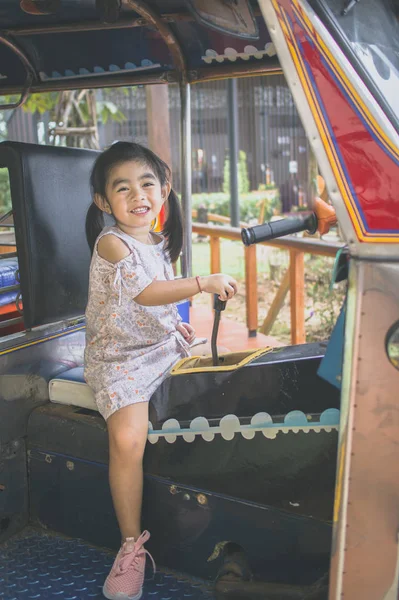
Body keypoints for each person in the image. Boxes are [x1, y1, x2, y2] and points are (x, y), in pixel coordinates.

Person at [84, 141, 237, 600]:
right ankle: (130, 545)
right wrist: (202, 281)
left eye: (146, 183)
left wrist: (176, 326)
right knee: (129, 438)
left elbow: (160, 305)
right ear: (103, 202)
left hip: (160, 347)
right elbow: (147, 292)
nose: (137, 195)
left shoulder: (155, 239)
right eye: (123, 188)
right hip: (121, 360)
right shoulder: (112, 242)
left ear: (164, 189)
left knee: (224, 386)